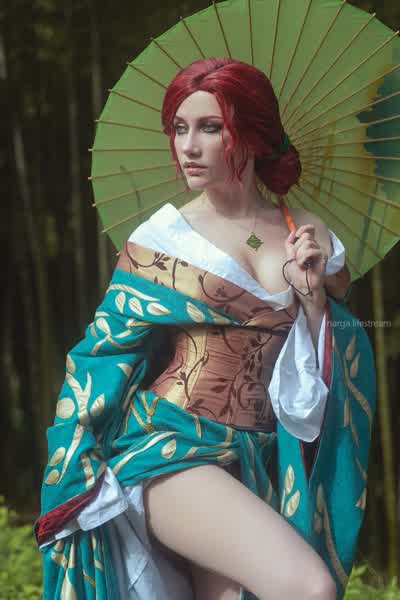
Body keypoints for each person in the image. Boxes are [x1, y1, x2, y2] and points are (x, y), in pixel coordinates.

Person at [35, 58, 375, 600]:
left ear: (253, 134)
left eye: (210, 128)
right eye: (179, 128)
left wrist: (313, 302)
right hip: (170, 448)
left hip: (261, 456)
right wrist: (74, 463)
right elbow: (101, 354)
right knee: (308, 588)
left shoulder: (303, 231)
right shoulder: (164, 238)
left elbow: (340, 348)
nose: (188, 146)